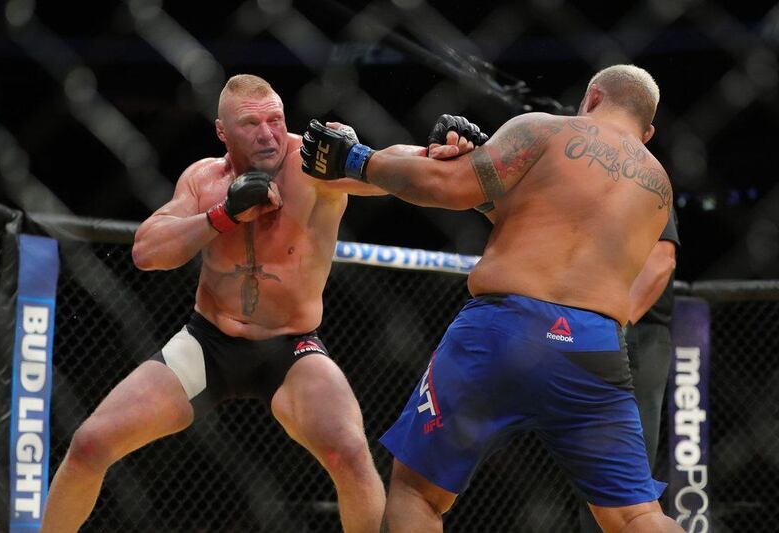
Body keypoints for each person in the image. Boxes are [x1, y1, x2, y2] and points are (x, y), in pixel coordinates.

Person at [301, 64, 683, 532]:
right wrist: (478, 169)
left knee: (418, 492)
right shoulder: (658, 185)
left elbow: (449, 188)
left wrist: (356, 158)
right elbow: (543, 225)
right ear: (649, 128)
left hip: (504, 325)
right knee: (635, 514)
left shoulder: (542, 128)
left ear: (594, 96)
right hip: (594, 345)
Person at [42, 74, 403, 533]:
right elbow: (146, 253)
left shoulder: (313, 162)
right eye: (251, 124)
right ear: (222, 132)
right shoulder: (203, 179)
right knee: (91, 443)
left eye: (276, 119)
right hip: (208, 342)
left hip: (292, 348)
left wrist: (433, 152)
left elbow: (397, 175)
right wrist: (223, 215)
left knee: (349, 453)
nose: (269, 134)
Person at [579, 211, 680, 533]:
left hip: (632, 335)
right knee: (591, 478)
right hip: (578, 331)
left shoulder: (639, 171)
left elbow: (661, 260)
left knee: (625, 487)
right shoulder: (574, 182)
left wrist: (615, 325)